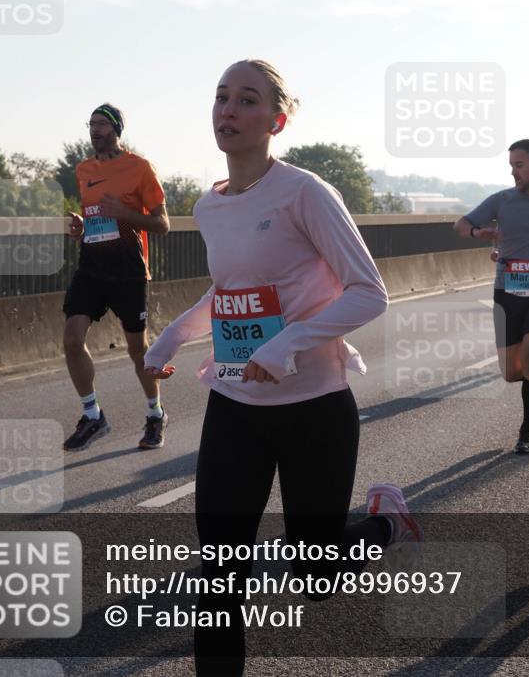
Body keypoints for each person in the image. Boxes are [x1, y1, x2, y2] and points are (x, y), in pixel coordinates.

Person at [142, 59, 420, 676]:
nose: (229, 110)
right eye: (222, 97)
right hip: (235, 407)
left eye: (247, 100)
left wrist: (286, 345)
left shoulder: (306, 193)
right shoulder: (209, 206)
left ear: (277, 120)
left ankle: (386, 523)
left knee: (317, 576)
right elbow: (230, 291)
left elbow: (368, 291)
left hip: (313, 409)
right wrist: (172, 337)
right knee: (219, 579)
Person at [61, 104, 171, 451]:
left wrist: (125, 213)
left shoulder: (139, 168)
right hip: (91, 267)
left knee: (137, 351)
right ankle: (92, 415)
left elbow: (162, 224)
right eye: (91, 124)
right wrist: (82, 225)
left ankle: (155, 413)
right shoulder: (84, 169)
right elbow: (98, 216)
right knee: (72, 339)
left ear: (117, 129)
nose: (94, 130)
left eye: (102, 124)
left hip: (128, 270)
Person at [456, 139, 529, 454]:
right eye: (511, 166)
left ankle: (527, 431)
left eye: (519, 165)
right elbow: (461, 224)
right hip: (506, 292)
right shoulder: (501, 200)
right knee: (512, 373)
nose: (513, 172)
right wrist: (477, 232)